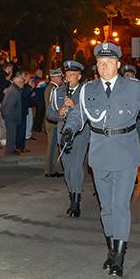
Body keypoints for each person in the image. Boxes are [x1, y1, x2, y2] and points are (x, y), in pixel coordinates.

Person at [61, 43, 140, 277]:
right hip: (99, 154)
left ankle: (119, 256)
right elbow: (78, 114)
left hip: (125, 153)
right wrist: (69, 130)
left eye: (108, 62)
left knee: (120, 205)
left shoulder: (132, 88)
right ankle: (111, 248)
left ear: (117, 64)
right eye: (100, 63)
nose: (104, 67)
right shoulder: (88, 89)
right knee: (106, 207)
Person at [52, 61, 89, 215]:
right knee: (67, 168)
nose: (69, 78)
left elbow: (89, 113)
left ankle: (76, 201)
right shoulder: (58, 91)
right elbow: (49, 114)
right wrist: (59, 113)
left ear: (79, 76)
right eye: (67, 75)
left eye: (73, 75)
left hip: (80, 134)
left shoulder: (85, 91)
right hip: (62, 132)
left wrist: (73, 106)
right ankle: (71, 194)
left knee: (76, 166)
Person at [41, 69, 65, 177]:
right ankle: (50, 170)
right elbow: (53, 106)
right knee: (52, 147)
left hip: (51, 120)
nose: (61, 79)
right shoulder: (53, 89)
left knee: (54, 146)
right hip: (53, 121)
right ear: (54, 77)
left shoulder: (51, 88)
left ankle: (52, 169)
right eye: (60, 77)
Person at [0, 71, 27, 156]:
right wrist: (8, 116)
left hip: (11, 116)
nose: (24, 83)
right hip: (11, 117)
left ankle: (12, 149)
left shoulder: (14, 89)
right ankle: (10, 151)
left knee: (12, 134)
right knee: (11, 134)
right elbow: (8, 105)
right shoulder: (13, 90)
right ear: (18, 81)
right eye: (22, 81)